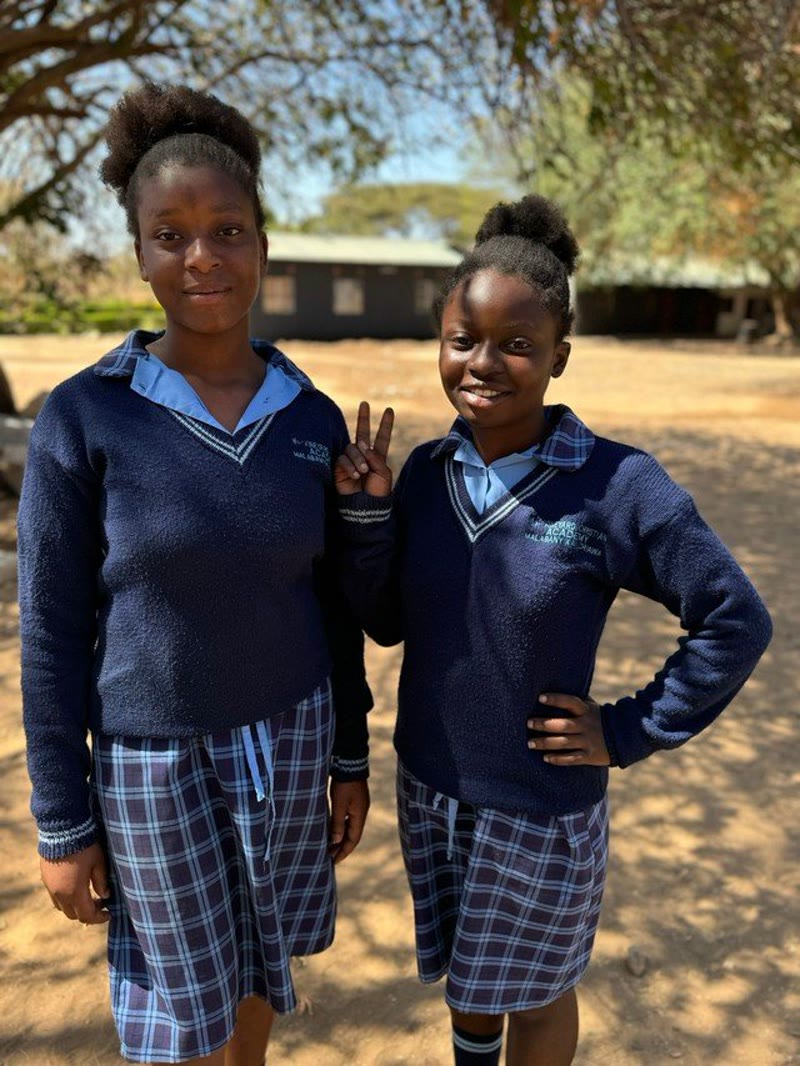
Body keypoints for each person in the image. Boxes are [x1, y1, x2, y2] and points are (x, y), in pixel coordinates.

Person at [334, 195, 772, 1066]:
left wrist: (624, 729)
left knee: (536, 993)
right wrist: (368, 521)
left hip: (539, 808)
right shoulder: (424, 472)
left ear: (559, 356)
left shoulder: (616, 485)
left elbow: (735, 619)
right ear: (440, 338)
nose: (482, 364)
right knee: (468, 980)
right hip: (433, 786)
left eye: (517, 344)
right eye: (463, 340)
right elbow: (384, 626)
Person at [18, 82, 372, 1066]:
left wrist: (349, 751)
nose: (201, 256)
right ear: (137, 250)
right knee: (181, 1021)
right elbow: (48, 629)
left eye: (226, 229)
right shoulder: (85, 416)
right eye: (169, 234)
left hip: (293, 741)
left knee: (259, 974)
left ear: (263, 241)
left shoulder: (308, 417)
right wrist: (63, 818)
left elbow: (336, 604)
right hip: (151, 763)